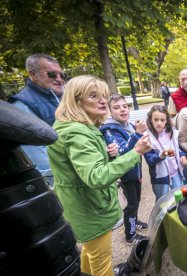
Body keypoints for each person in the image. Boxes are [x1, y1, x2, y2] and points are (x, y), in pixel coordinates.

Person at [47, 75, 151, 276]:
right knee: (102, 263)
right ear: (76, 101)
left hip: (83, 206)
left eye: (103, 95)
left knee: (90, 253)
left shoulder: (78, 128)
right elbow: (96, 177)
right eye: (94, 96)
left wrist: (107, 154)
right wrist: (136, 152)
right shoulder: (77, 133)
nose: (103, 101)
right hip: (90, 208)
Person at [10, 54, 66, 187]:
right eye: (52, 74)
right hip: (58, 180)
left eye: (62, 75)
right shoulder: (22, 105)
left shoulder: (62, 98)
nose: (59, 79)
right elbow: (37, 155)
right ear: (33, 74)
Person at [100, 94, 148, 245]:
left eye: (125, 106)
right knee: (130, 205)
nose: (122, 110)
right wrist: (137, 134)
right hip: (125, 175)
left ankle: (135, 222)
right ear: (110, 111)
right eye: (116, 107)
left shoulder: (129, 126)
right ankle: (130, 235)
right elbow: (122, 153)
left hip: (135, 172)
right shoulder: (109, 130)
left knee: (136, 201)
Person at [144, 105, 186, 201]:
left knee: (181, 199)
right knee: (162, 201)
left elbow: (176, 149)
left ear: (166, 120)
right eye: (156, 120)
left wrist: (182, 155)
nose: (159, 123)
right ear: (150, 119)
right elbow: (149, 160)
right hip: (161, 178)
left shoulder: (171, 133)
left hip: (175, 173)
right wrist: (161, 155)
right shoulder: (147, 138)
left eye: (162, 120)